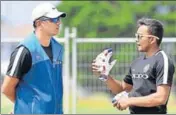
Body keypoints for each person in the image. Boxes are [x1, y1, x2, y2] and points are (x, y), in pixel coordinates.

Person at [92, 18, 175, 114]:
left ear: (152, 39)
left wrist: (129, 101)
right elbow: (122, 88)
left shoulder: (163, 60)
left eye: (140, 36)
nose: (136, 40)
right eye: (136, 36)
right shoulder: (137, 62)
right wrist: (105, 76)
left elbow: (161, 98)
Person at [1, 2, 66, 114]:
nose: (58, 22)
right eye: (53, 19)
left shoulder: (58, 48)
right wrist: (22, 107)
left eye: (59, 19)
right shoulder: (25, 50)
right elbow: (7, 88)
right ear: (39, 23)